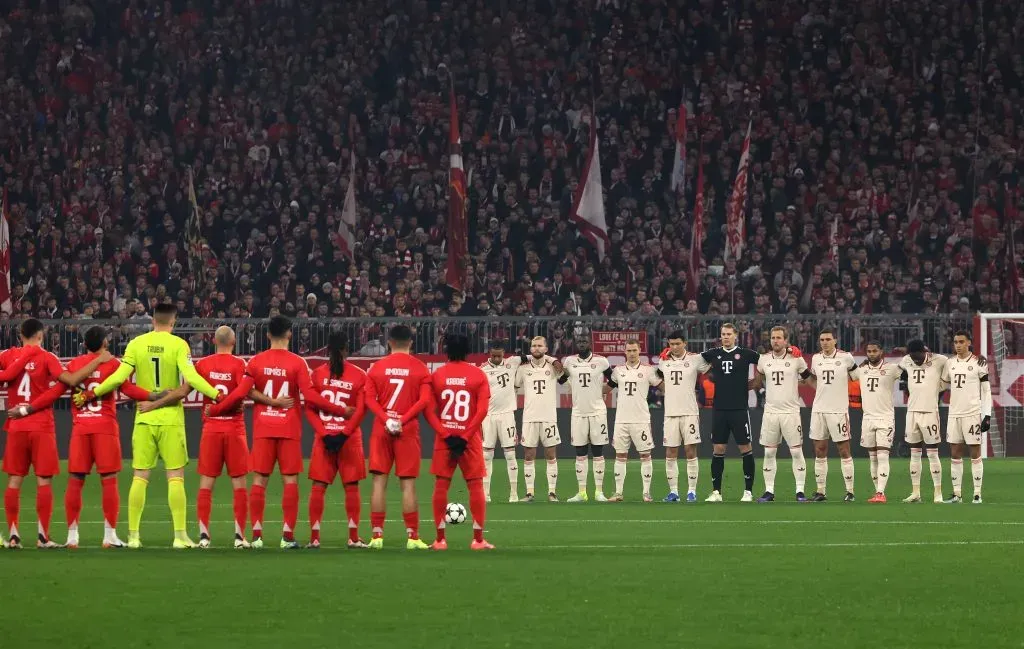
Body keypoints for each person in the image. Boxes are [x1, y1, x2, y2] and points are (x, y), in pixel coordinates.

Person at [81, 304, 221, 549]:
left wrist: (92, 394)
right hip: (170, 419)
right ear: (173, 321)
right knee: (175, 477)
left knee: (140, 476)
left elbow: (117, 378)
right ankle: (179, 536)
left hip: (144, 418)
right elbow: (193, 378)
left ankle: (134, 536)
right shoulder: (179, 345)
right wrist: (216, 394)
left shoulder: (136, 344)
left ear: (153, 320)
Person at [12, 326, 159, 548]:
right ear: (105, 343)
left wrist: (28, 409)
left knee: (75, 481)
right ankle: (109, 536)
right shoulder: (112, 364)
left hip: (80, 428)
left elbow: (53, 394)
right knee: (109, 481)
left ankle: (72, 536)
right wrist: (153, 395)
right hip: (105, 428)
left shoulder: (74, 365)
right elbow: (129, 389)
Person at [208, 315, 348, 549]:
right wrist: (340, 409)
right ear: (290, 334)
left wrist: (216, 409)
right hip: (289, 429)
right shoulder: (298, 363)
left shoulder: (255, 361)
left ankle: (257, 536)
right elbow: (311, 396)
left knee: (260, 480)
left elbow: (240, 393)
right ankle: (287, 536)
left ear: (267, 335)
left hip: (263, 427)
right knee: (290, 481)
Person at [3, 318, 114, 548]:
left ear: (19, 335)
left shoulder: (7, 355)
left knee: (14, 480)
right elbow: (70, 380)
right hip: (41, 425)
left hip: (16, 425)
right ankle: (43, 537)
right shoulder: (48, 358)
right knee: (44, 481)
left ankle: (13, 535)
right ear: (41, 335)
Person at [185, 325, 291, 548]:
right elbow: (248, 392)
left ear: (214, 341)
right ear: (233, 343)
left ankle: (204, 536)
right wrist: (273, 402)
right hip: (235, 429)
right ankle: (239, 536)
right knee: (239, 484)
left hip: (211, 429)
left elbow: (186, 389)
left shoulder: (202, 364)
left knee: (206, 483)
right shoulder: (240, 365)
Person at [423, 334, 495, 550]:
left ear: (446, 351)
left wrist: (445, 434)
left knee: (441, 485)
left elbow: (428, 410)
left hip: (445, 438)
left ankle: (440, 540)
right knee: (475, 486)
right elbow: (482, 410)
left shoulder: (437, 375)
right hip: (469, 439)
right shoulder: (478, 374)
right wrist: (464, 436)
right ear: (467, 351)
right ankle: (478, 540)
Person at [364, 324, 432, 550]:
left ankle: (376, 536)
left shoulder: (376, 368)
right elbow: (423, 401)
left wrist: (387, 419)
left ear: (389, 342)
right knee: (408, 484)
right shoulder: (421, 368)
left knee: (378, 482)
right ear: (411, 342)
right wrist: (402, 420)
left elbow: (370, 400)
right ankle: (412, 537)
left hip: (381, 430)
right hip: (408, 430)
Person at [306, 331, 368, 548]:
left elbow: (310, 409)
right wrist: (344, 433)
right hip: (349, 439)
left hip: (324, 438)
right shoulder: (359, 375)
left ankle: (314, 539)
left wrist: (324, 434)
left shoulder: (317, 374)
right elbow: (360, 411)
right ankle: (353, 538)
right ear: (346, 349)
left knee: (318, 486)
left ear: (328, 349)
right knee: (351, 486)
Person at [700, 323, 760, 502]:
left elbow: (767, 362)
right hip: (719, 409)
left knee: (745, 448)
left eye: (728, 334)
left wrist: (755, 382)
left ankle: (748, 492)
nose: (725, 337)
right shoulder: (714, 354)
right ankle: (716, 492)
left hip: (739, 409)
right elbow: (692, 360)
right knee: (718, 448)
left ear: (735, 336)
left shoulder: (746, 353)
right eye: (723, 334)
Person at [753, 327, 812, 503]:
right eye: (773, 338)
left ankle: (800, 491)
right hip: (770, 413)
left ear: (786, 340)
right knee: (769, 453)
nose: (775, 341)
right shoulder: (763, 360)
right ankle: (769, 491)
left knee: (796, 452)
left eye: (779, 338)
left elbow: (808, 379)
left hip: (791, 412)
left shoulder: (796, 359)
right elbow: (758, 381)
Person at [655, 330, 710, 502]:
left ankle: (692, 491)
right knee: (670, 451)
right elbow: (657, 377)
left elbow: (712, 365)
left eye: (678, 343)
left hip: (689, 412)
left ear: (685, 343)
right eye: (671, 344)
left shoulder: (695, 359)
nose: (675, 347)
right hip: (670, 413)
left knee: (690, 450)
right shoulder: (663, 361)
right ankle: (674, 492)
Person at [807, 328, 860, 502]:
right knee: (819, 449)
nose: (825, 342)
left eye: (828, 339)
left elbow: (855, 377)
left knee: (843, 450)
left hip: (838, 411)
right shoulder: (816, 359)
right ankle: (821, 491)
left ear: (835, 341)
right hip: (819, 410)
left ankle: (850, 491)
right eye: (822, 340)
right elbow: (814, 380)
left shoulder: (846, 357)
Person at [608, 340, 662, 502]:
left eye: (634, 350)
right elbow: (607, 388)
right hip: (621, 420)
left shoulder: (648, 370)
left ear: (640, 351)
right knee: (620, 455)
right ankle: (618, 493)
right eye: (629, 350)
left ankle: (646, 492)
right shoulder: (617, 371)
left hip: (641, 419)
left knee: (645, 455)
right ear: (625, 352)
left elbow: (663, 386)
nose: (631, 353)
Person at [940, 330, 991, 504]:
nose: (958, 345)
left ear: (969, 342)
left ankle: (977, 494)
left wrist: (987, 415)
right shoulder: (950, 363)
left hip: (972, 413)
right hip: (954, 413)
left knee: (975, 452)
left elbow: (986, 390)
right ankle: (957, 494)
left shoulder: (979, 362)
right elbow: (943, 384)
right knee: (955, 453)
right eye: (955, 342)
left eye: (961, 342)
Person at [560, 333, 612, 503]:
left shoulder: (601, 361)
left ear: (590, 343)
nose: (581, 343)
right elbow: (562, 379)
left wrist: (602, 392)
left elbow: (615, 379)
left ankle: (599, 492)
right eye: (579, 341)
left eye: (584, 341)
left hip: (597, 412)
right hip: (578, 413)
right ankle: (582, 492)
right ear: (576, 343)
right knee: (580, 453)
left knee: (598, 452)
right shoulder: (569, 361)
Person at [514, 336, 564, 502]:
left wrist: (552, 359)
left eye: (539, 346)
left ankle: (552, 493)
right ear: (530, 349)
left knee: (551, 454)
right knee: (529, 455)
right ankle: (529, 493)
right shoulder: (523, 369)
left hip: (549, 417)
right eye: (533, 346)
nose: (536, 348)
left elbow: (565, 375)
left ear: (546, 348)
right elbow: (514, 387)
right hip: (529, 417)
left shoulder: (553, 366)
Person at [898, 339, 948, 503]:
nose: (915, 359)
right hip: (912, 412)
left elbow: (956, 362)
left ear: (924, 351)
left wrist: (979, 358)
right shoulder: (906, 360)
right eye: (912, 356)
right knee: (914, 454)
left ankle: (938, 493)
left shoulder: (939, 360)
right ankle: (916, 493)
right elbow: (896, 369)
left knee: (933, 453)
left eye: (917, 355)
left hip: (930, 412)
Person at [479, 340, 522, 503]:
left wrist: (552, 360)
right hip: (488, 416)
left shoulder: (513, 362)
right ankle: (486, 494)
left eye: (499, 355)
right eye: (493, 355)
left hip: (507, 415)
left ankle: (513, 493)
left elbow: (535, 356)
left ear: (504, 353)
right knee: (486, 456)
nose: (496, 358)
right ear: (489, 353)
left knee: (510, 454)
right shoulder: (482, 370)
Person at [858, 342, 900, 503]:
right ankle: (877, 492)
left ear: (881, 351)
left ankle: (881, 493)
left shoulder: (892, 368)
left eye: (875, 351)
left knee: (883, 457)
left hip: (885, 418)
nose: (871, 353)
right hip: (867, 418)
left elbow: (912, 366)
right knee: (873, 457)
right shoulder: (861, 369)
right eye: (869, 351)